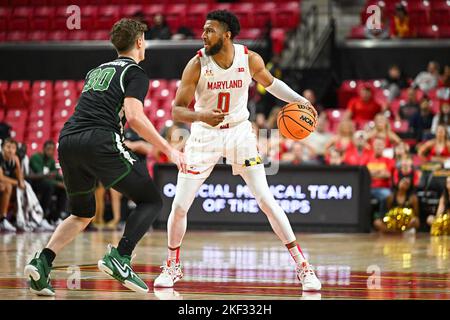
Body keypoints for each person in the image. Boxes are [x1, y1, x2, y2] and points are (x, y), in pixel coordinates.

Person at [153, 10, 321, 291]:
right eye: (204, 30)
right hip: (204, 135)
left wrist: (302, 101)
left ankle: (303, 266)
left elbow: (272, 84)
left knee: (266, 200)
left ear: (227, 34)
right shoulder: (196, 64)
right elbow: (177, 109)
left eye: (211, 30)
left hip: (240, 133)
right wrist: (201, 117)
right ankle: (172, 265)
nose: (204, 35)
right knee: (180, 206)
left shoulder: (249, 58)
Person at [24, 18, 186, 296]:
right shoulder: (135, 72)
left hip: (68, 140)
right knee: (150, 200)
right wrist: (168, 148)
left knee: (81, 213)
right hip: (99, 139)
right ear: (138, 42)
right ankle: (120, 257)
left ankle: (42, 263)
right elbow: (134, 117)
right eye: (144, 40)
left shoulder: (96, 71)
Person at [28, 140, 67, 227]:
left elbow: (56, 175)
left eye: (52, 150)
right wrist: (56, 183)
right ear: (44, 149)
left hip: (48, 184)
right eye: (48, 149)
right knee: (49, 187)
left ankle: (56, 218)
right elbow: (40, 175)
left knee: (63, 189)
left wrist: (66, 182)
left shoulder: (51, 161)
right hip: (35, 184)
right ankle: (42, 218)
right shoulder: (36, 157)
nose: (50, 151)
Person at [0, 138, 25, 232]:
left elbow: (21, 179)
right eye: (8, 147)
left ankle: (17, 219)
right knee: (7, 186)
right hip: (3, 183)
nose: (11, 150)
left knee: (22, 189)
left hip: (4, 184)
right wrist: (17, 183)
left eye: (13, 148)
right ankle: (2, 219)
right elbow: (1, 177)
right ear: (2, 148)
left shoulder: (14, 159)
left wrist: (18, 164)